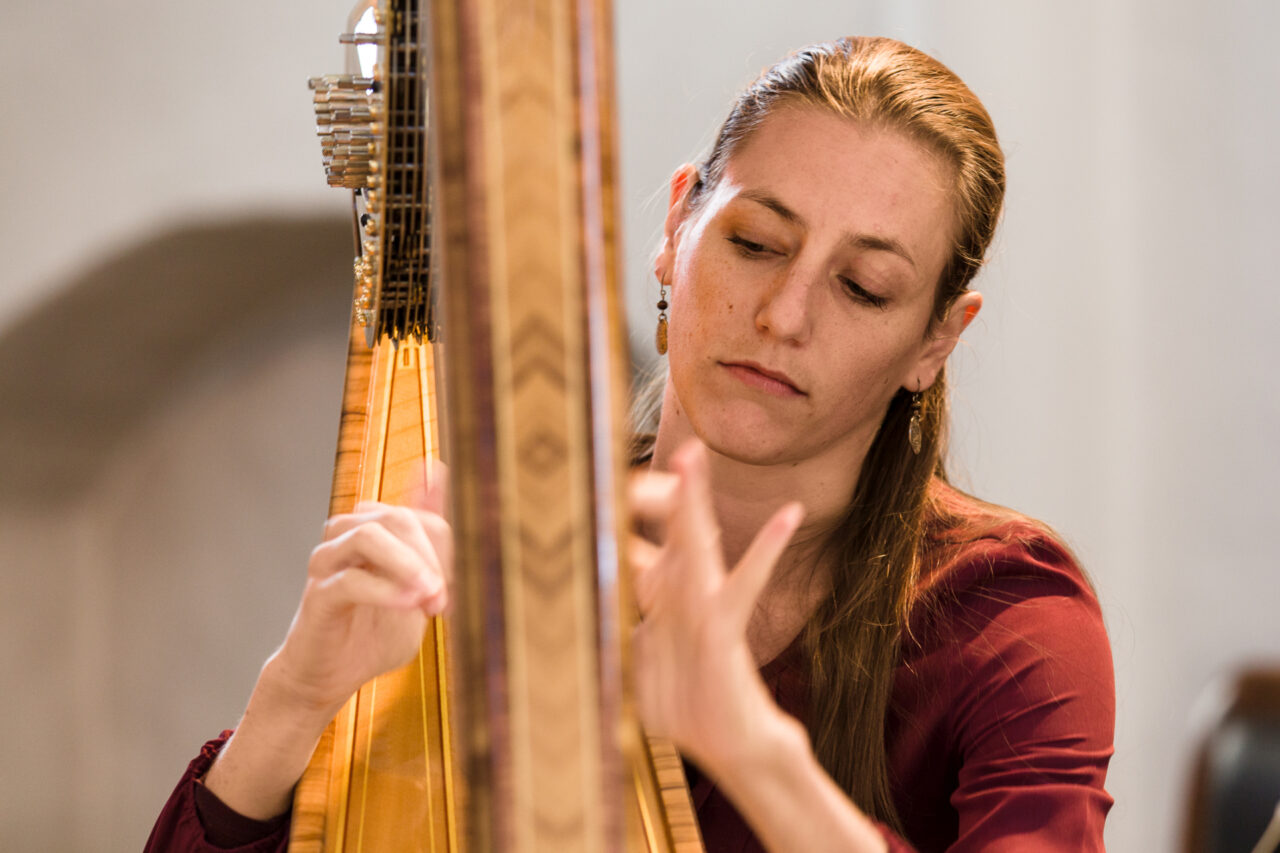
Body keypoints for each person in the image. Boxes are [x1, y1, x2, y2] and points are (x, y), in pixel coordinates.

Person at [147, 36, 1114, 852]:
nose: (783, 316)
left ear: (935, 341)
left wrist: (748, 748)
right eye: (756, 243)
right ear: (674, 224)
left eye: (862, 287)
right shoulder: (509, 553)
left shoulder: (1006, 618)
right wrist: (291, 702)